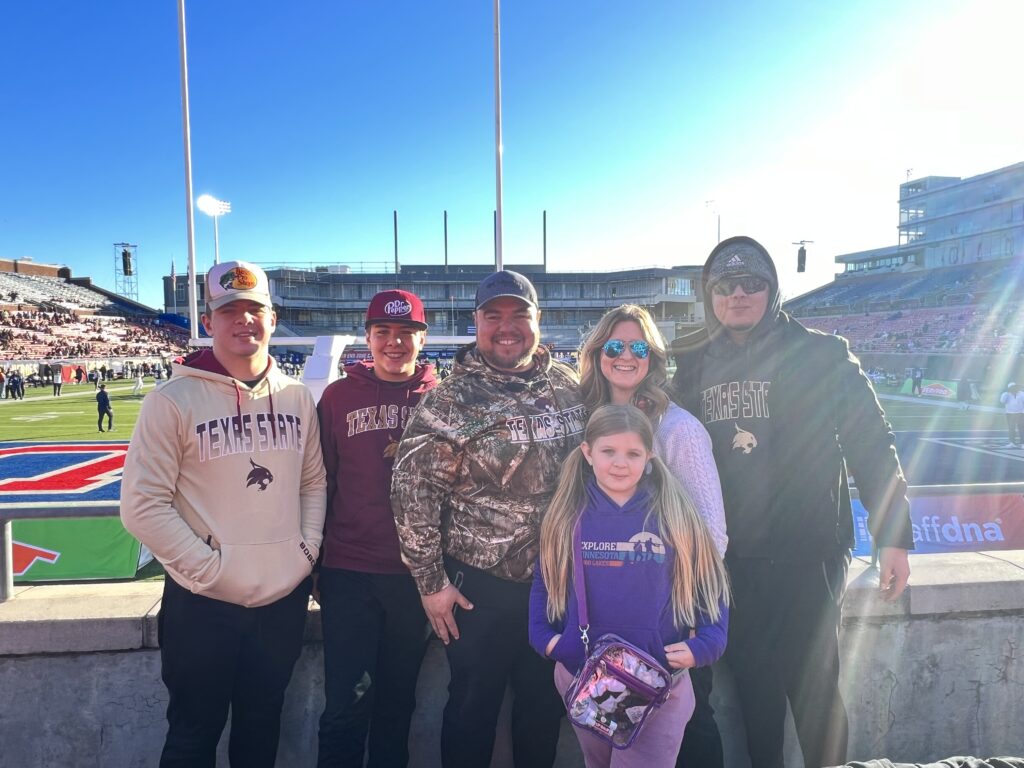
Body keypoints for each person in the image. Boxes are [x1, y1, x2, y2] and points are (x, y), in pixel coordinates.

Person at [671, 236, 914, 768]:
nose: (738, 294)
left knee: (816, 690)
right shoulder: (689, 362)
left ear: (773, 288)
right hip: (729, 559)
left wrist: (893, 534)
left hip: (810, 553)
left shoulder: (821, 353)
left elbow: (871, 441)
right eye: (724, 285)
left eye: (752, 283)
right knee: (755, 691)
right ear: (709, 294)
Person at [120, 260, 327, 767]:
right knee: (192, 736)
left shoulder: (297, 397)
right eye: (228, 310)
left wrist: (305, 552)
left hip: (281, 598)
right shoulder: (172, 400)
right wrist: (211, 569)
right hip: (203, 604)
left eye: (254, 309)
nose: (244, 321)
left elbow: (312, 483)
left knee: (260, 732)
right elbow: (142, 506)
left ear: (273, 319)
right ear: (208, 322)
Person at [391, 269, 586, 768]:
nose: (507, 327)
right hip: (480, 586)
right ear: (475, 322)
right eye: (493, 315)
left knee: (544, 708)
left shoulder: (568, 386)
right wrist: (431, 583)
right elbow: (412, 492)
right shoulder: (450, 400)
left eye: (519, 314)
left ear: (538, 321)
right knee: (472, 709)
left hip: (558, 583)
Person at [529, 404, 729, 768]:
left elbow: (709, 580)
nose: (620, 463)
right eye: (608, 451)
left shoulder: (674, 512)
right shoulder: (567, 515)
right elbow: (545, 582)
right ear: (587, 453)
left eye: (633, 453)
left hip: (660, 685)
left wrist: (709, 642)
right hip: (585, 676)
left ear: (649, 456)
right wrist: (546, 639)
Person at [577, 304, 728, 764]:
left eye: (638, 346)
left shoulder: (679, 428)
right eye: (614, 346)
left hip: (669, 620)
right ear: (599, 353)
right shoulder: (584, 423)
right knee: (618, 741)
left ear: (653, 357)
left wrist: (676, 606)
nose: (626, 355)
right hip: (604, 625)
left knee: (690, 732)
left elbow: (713, 535)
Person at [316, 289, 437, 767]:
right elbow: (319, 481)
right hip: (350, 572)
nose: (394, 342)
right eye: (383, 332)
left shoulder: (441, 399)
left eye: (406, 332)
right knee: (345, 704)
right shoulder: (338, 396)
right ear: (367, 337)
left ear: (421, 339)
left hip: (416, 579)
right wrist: (315, 563)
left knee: (397, 705)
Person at [999, 382, 1024, 448]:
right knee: (1011, 429)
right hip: (1010, 414)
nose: (1014, 388)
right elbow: (1002, 401)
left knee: (1021, 429)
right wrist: (1006, 394)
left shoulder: (1022, 393)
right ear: (1009, 388)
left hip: (1020, 413)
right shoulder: (1006, 394)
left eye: (1015, 387)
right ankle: (1012, 443)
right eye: (1012, 387)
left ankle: (1023, 443)